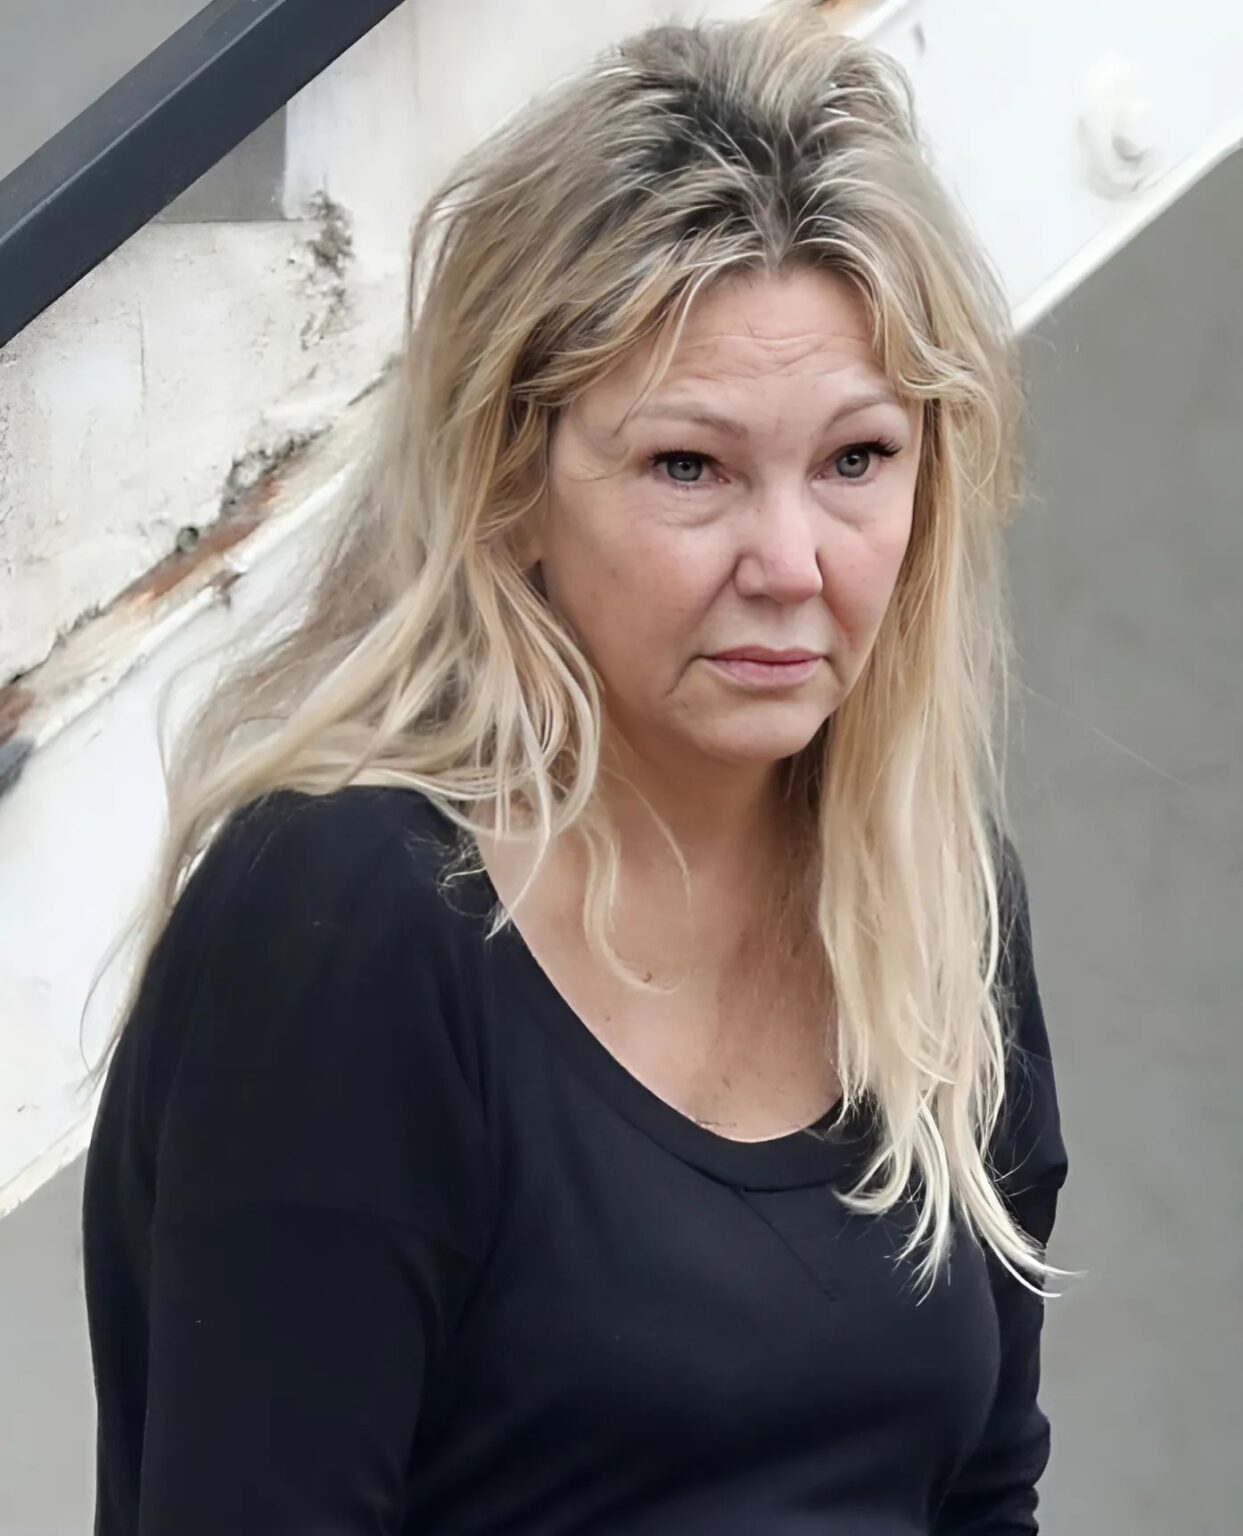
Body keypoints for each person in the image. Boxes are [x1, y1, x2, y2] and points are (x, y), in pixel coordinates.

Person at [81, 6, 1069, 1533]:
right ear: (510, 480)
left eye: (858, 460)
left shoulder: (939, 906)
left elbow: (985, 1494)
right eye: (690, 465)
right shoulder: (350, 926)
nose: (792, 562)